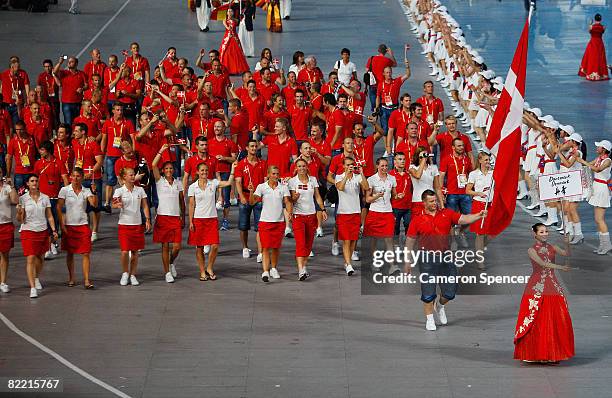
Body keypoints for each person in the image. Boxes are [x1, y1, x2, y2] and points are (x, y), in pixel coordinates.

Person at [404, 189, 486, 331]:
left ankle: (440, 305)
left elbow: (463, 219)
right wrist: (407, 261)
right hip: (427, 258)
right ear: (424, 203)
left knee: (450, 291)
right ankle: (430, 319)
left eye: (435, 200)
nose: (435, 203)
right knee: (428, 291)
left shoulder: (446, 213)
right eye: (431, 201)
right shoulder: (416, 220)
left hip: (446, 257)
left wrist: (478, 216)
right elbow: (410, 241)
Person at [514, 223, 574, 363]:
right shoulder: (531, 250)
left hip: (552, 284)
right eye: (542, 232)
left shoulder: (553, 247)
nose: (545, 233)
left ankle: (552, 352)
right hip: (537, 286)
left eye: (546, 231)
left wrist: (567, 244)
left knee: (556, 316)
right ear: (535, 234)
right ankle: (533, 353)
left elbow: (567, 254)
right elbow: (542, 264)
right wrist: (560, 267)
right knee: (535, 316)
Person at [188, 162, 236, 281]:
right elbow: (191, 205)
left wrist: (233, 170)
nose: (204, 172)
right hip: (198, 219)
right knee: (199, 247)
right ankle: (202, 271)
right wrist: (190, 222)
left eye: (206, 170)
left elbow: (228, 183)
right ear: (197, 172)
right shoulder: (192, 187)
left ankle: (209, 267)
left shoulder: (213, 183)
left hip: (212, 219)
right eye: (202, 170)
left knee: (214, 246)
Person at [16, 174, 59, 298]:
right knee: (30, 258)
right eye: (32, 181)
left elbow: (50, 216)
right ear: (27, 184)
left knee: (40, 259)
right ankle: (32, 288)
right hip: (28, 230)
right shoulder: (23, 199)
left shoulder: (45, 198)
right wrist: (19, 212)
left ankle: (36, 277)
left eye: (36, 180)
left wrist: (54, 230)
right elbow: (20, 219)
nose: (34, 183)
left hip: (42, 230)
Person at [57, 168, 97, 288]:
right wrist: (61, 224)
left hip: (83, 225)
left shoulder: (86, 191)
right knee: (70, 253)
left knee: (86, 253)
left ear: (82, 178)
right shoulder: (64, 190)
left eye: (78, 176)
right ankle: (71, 278)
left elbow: (94, 204)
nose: (75, 178)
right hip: (69, 225)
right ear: (70, 177)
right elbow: (59, 208)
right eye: (73, 176)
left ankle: (86, 280)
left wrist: (94, 192)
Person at [251, 165, 292, 282]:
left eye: (277, 174)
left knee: (275, 248)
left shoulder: (283, 187)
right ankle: (265, 271)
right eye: (273, 174)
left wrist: (290, 212)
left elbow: (287, 202)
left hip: (279, 222)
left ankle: (273, 268)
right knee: (265, 247)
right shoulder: (261, 187)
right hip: (265, 222)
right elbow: (252, 201)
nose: (275, 176)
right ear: (268, 174)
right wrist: (250, 192)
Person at [289, 158, 327, 280]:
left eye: (303, 166)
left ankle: (304, 267)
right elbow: (290, 201)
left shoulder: (313, 180)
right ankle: (301, 270)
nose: (301, 168)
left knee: (309, 244)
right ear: (296, 168)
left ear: (307, 167)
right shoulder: (292, 181)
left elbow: (317, 196)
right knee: (300, 243)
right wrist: (294, 198)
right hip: (298, 216)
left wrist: (323, 209)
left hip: (311, 215)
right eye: (299, 166)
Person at [112, 167, 151, 287]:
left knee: (135, 252)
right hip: (124, 224)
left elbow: (145, 206)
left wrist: (147, 220)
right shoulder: (119, 191)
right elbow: (113, 204)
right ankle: (125, 273)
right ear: (124, 177)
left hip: (137, 224)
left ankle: (133, 274)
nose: (133, 177)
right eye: (130, 175)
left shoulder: (140, 190)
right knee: (124, 251)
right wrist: (117, 205)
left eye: (133, 175)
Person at [152, 145, 185, 283]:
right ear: (163, 171)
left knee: (177, 246)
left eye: (171, 168)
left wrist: (183, 216)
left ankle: (171, 263)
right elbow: (153, 164)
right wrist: (161, 151)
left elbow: (181, 201)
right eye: (166, 169)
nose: (169, 170)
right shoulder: (159, 182)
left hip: (175, 218)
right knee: (165, 246)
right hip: (163, 217)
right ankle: (167, 272)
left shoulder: (178, 183)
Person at [574, 139, 611, 254]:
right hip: (597, 187)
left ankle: (607, 245)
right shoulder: (599, 159)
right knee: (597, 219)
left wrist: (582, 161)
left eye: (599, 146)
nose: (597, 148)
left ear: (604, 149)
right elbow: (590, 165)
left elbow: (597, 169)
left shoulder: (608, 161)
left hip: (602, 189)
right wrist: (580, 161)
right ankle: (602, 244)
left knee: (600, 219)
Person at [364, 157, 400, 274]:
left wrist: (398, 196)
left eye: (386, 166)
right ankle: (375, 262)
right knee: (373, 240)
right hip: (374, 213)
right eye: (382, 166)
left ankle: (392, 266)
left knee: (389, 239)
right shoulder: (371, 180)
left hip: (388, 213)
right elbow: (368, 199)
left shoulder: (392, 179)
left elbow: (394, 195)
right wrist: (377, 196)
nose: (385, 168)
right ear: (377, 166)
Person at [335, 157, 369, 275]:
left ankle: (347, 262)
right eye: (348, 165)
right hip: (343, 213)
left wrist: (362, 173)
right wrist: (346, 175)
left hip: (355, 212)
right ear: (344, 166)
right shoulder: (339, 177)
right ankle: (348, 264)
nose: (350, 166)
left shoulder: (357, 177)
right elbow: (340, 187)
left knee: (353, 240)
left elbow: (366, 187)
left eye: (352, 165)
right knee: (346, 240)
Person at [235, 139, 267, 261]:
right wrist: (242, 197)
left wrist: (263, 196)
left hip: (258, 198)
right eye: (252, 146)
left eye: (255, 146)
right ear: (247, 148)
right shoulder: (241, 164)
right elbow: (238, 182)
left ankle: (260, 252)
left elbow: (265, 181)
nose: (254, 148)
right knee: (243, 226)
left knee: (260, 226)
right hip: (245, 196)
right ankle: (245, 247)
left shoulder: (263, 163)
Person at [71, 123, 104, 241]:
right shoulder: (74, 142)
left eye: (76, 131)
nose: (74, 133)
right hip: (80, 179)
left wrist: (91, 172)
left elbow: (99, 161)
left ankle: (94, 231)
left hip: (93, 178)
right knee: (81, 205)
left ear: (83, 132)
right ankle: (86, 229)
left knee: (95, 206)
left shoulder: (92, 144)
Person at [439, 138, 473, 248]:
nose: (462, 148)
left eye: (462, 145)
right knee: (450, 219)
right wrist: (441, 190)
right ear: (453, 147)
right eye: (459, 146)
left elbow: (470, 175)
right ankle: (453, 241)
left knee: (469, 216)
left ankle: (460, 232)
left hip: (465, 192)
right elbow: (441, 175)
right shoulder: (446, 159)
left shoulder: (466, 159)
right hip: (452, 193)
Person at [466, 151, 494, 270]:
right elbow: (468, 190)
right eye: (486, 160)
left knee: (491, 233)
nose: (488, 162)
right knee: (480, 233)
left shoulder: (493, 173)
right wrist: (478, 193)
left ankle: (478, 250)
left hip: (491, 205)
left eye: (489, 160)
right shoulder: (474, 174)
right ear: (480, 160)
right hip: (479, 204)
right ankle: (480, 260)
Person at [53, 56, 87, 126]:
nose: (69, 63)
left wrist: (82, 88)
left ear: (76, 63)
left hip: (78, 102)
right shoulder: (64, 73)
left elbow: (86, 85)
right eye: (68, 62)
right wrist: (60, 63)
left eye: (71, 62)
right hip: (66, 103)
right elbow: (54, 72)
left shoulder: (81, 74)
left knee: (77, 123)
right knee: (68, 123)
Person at [409, 146, 443, 215]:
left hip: (431, 200)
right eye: (421, 157)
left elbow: (437, 187)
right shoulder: (412, 167)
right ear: (417, 157)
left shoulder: (433, 168)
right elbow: (418, 176)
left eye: (425, 156)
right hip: (418, 200)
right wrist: (423, 160)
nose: (424, 158)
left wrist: (441, 204)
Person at [0, 169, 18, 294]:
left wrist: (11, 186)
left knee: (4, 255)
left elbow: (15, 200)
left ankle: (3, 282)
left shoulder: (7, 188)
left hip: (5, 225)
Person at [219, 8, 251, 75]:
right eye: (229, 11)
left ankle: (236, 68)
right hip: (228, 37)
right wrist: (229, 28)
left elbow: (239, 21)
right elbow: (227, 28)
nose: (230, 12)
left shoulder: (235, 20)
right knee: (226, 52)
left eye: (231, 11)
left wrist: (239, 17)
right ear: (227, 13)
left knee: (237, 52)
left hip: (234, 37)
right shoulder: (225, 20)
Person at [389, 151, 411, 246]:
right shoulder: (390, 175)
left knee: (409, 226)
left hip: (408, 206)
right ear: (394, 162)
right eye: (400, 159)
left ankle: (408, 246)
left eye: (404, 159)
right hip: (395, 206)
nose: (402, 161)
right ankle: (396, 245)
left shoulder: (409, 174)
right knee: (395, 227)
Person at [578, 14, 609, 81]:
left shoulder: (591, 26)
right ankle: (600, 74)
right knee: (600, 58)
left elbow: (590, 32)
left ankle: (590, 73)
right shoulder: (603, 27)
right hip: (600, 44)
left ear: (595, 19)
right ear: (601, 19)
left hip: (592, 44)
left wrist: (590, 24)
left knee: (591, 58)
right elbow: (602, 32)